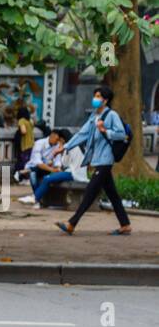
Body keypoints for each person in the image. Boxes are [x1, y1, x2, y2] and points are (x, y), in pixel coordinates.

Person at [56, 85, 131, 236]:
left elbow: (121, 134)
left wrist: (105, 131)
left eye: (98, 96)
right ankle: (125, 224)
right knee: (112, 194)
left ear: (106, 100)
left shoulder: (111, 115)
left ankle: (72, 223)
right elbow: (82, 134)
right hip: (98, 159)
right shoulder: (94, 116)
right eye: (95, 96)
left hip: (106, 160)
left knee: (90, 192)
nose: (95, 99)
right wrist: (65, 147)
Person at [20, 129, 73, 206]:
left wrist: (57, 167)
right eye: (57, 140)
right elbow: (38, 163)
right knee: (33, 175)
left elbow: (59, 162)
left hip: (49, 168)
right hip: (35, 167)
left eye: (60, 140)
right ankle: (37, 199)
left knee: (49, 178)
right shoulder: (39, 143)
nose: (58, 142)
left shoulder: (59, 146)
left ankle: (37, 198)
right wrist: (52, 169)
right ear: (52, 136)